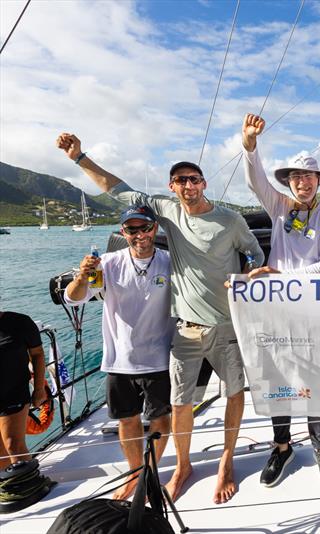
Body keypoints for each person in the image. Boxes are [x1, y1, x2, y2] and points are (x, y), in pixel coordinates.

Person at [56, 133, 264, 504]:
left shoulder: (230, 220)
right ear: (172, 187)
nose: (188, 185)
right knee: (180, 405)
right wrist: (79, 157)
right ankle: (183, 466)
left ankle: (227, 462)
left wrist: (249, 274)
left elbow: (253, 253)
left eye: (194, 178)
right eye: (180, 180)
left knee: (234, 395)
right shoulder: (166, 212)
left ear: (203, 183)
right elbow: (116, 188)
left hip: (228, 326)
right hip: (187, 330)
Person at [241, 113, 320, 486]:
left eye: (309, 177)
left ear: (319, 181)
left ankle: (319, 446)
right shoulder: (279, 207)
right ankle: (281, 447)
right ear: (289, 182)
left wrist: (283, 276)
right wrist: (250, 145)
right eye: (296, 177)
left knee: (316, 377)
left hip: (314, 312)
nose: (302, 182)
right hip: (275, 311)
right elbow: (255, 180)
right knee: (277, 378)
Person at [64, 205, 173, 500]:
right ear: (123, 232)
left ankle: (151, 469)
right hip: (120, 358)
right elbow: (73, 299)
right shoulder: (108, 263)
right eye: (132, 229)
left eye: (145, 227)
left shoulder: (170, 261)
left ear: (155, 229)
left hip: (160, 356)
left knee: (162, 419)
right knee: (127, 420)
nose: (140, 235)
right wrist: (82, 277)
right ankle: (136, 473)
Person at [0, 310, 47, 470]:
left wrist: (39, 388)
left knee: (14, 445)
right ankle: (11, 490)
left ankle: (30, 486)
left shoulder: (20, 322)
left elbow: (38, 354)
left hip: (14, 393)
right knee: (1, 453)